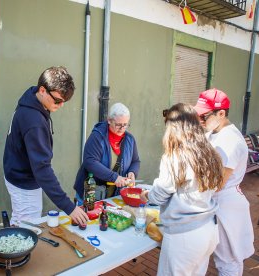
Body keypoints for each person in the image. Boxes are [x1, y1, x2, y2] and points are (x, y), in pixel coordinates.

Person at [140, 103, 224, 276]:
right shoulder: (208, 151)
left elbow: (161, 193)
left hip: (185, 236)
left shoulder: (176, 155)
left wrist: (148, 195)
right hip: (208, 229)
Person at [3, 66, 89, 226]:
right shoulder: (34, 121)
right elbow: (42, 169)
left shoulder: (32, 99)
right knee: (27, 228)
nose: (60, 105)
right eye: (57, 100)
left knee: (22, 221)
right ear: (42, 90)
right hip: (23, 180)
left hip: (19, 173)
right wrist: (70, 208)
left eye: (64, 101)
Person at [194, 88, 254, 276]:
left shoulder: (230, 140)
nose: (200, 121)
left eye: (204, 116)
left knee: (227, 261)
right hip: (211, 202)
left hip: (225, 205)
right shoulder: (213, 132)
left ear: (221, 113)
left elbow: (216, 183)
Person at [74, 102, 140, 203]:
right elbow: (90, 162)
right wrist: (114, 177)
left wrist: (132, 172)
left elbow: (135, 161)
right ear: (109, 120)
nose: (122, 129)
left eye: (125, 125)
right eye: (118, 125)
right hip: (91, 192)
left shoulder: (130, 139)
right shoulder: (97, 137)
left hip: (114, 195)